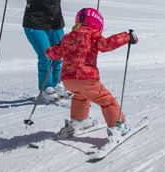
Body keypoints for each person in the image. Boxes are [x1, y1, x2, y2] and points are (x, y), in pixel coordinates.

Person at [6, 0, 105, 102]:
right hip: (35, 26)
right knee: (46, 56)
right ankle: (46, 88)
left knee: (59, 56)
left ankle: (56, 84)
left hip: (56, 26)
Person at [46, 8, 138, 137]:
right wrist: (127, 37)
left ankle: (79, 121)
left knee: (80, 96)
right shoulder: (92, 35)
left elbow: (52, 53)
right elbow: (106, 45)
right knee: (107, 101)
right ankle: (119, 126)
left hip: (68, 81)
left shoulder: (67, 37)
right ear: (97, 23)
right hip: (86, 78)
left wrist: (53, 50)